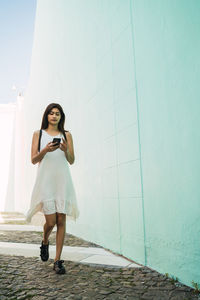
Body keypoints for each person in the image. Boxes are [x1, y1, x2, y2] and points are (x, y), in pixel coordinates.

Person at [25, 103, 79, 274]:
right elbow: (34, 160)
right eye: (51, 113)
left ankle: (57, 261)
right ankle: (45, 241)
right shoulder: (38, 134)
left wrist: (65, 149)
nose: (54, 116)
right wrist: (46, 150)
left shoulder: (67, 135)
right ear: (46, 116)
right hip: (46, 182)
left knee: (61, 220)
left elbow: (71, 160)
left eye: (57, 113)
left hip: (62, 181)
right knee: (51, 221)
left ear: (61, 117)